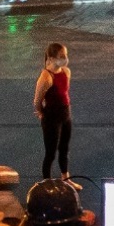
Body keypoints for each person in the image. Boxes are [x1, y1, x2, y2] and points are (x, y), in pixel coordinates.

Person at [32, 43, 73, 180]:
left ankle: (65, 179)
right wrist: (41, 112)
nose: (65, 59)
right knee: (50, 153)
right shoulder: (46, 77)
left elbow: (64, 94)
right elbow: (37, 100)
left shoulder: (66, 72)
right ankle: (46, 183)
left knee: (64, 149)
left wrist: (66, 112)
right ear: (51, 58)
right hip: (51, 118)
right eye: (61, 56)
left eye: (66, 55)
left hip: (65, 115)